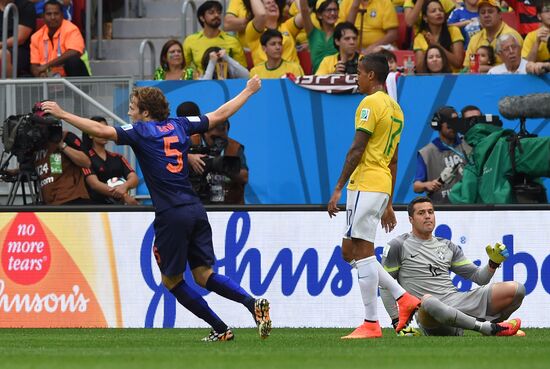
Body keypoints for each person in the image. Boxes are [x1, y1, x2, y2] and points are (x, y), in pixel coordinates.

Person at [41, 76, 272, 342]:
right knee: (203, 274)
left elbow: (102, 132)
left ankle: (221, 328)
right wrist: (248, 91)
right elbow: (220, 114)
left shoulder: (140, 132)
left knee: (172, 281)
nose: (129, 110)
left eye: (133, 105)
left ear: (146, 112)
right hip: (195, 208)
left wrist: (62, 113)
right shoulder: (181, 124)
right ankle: (252, 304)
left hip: (171, 214)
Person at [327, 53, 421, 339]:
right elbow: (393, 160)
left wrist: (338, 186)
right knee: (349, 252)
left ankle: (371, 323)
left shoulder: (369, 104)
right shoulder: (396, 110)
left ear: (371, 75)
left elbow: (357, 149)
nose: (356, 76)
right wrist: (389, 201)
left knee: (363, 253)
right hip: (378, 184)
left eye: (358, 72)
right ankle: (403, 298)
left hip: (365, 182)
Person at [380, 196, 524, 337]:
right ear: (411, 219)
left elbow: (479, 278)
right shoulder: (398, 245)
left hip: (456, 301)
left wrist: (493, 263)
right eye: (421, 213)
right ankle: (487, 328)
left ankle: (498, 328)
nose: (427, 216)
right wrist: (397, 323)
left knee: (516, 289)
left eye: (430, 212)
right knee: (428, 300)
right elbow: (385, 285)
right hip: (429, 313)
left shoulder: (447, 246)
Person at [178, 101, 249, 205]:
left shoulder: (234, 147)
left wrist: (224, 166)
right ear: (205, 132)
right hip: (194, 202)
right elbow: (168, 157)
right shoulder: (191, 141)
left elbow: (244, 177)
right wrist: (189, 158)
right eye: (214, 138)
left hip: (228, 204)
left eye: (222, 138)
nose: (219, 142)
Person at [413, 106, 471, 204]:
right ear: (439, 126)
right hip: (442, 209)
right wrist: (427, 184)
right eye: (449, 124)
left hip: (468, 206)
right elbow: (416, 186)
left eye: (456, 123)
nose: (453, 127)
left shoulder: (468, 145)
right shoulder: (426, 153)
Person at [81, 116, 139, 205]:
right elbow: (94, 184)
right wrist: (123, 195)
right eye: (99, 129)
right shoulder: (84, 158)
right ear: (90, 134)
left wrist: (125, 186)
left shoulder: (118, 157)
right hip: (93, 209)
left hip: (117, 209)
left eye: (106, 129)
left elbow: (134, 178)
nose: (104, 133)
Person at [183, 0, 247, 75]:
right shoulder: (190, 40)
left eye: (219, 12)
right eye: (211, 12)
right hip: (200, 84)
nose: (216, 15)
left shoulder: (232, 41)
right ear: (202, 18)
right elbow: (184, 68)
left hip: (227, 83)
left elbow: (242, 70)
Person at [30, 0, 89, 77]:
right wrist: (40, 74)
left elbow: (74, 52)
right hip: (50, 79)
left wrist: (46, 66)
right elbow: (34, 65)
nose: (53, 17)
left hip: (73, 79)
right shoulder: (36, 37)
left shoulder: (71, 29)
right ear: (43, 17)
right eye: (49, 14)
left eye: (56, 13)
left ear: (62, 15)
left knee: (73, 61)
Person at [34, 128, 92, 205]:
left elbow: (86, 162)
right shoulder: (36, 145)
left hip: (72, 200)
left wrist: (61, 145)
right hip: (51, 203)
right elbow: (54, 169)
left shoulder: (65, 137)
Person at [463, 0, 523, 73]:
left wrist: (489, 69)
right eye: (482, 12)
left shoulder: (512, 36)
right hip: (480, 81)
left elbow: (518, 66)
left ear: (500, 14)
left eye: (490, 11)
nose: (486, 15)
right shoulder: (474, 39)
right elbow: (470, 67)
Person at [245, 0, 303, 66]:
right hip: (267, 75)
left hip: (292, 74)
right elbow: (261, 15)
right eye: (268, 3)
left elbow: (304, 14)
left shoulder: (287, 26)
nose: (273, 5)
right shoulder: (253, 31)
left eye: (274, 3)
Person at [413, 0, 465, 72]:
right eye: (433, 11)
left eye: (441, 10)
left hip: (453, 79)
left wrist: (437, 46)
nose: (438, 13)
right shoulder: (420, 37)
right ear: (425, 17)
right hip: (431, 79)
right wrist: (429, 49)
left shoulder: (453, 31)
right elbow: (420, 70)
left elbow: (458, 63)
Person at [298, 0, 338, 73]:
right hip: (317, 80)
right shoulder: (313, 33)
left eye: (335, 10)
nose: (333, 13)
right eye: (329, 10)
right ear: (319, 15)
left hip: (337, 79)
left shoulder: (342, 33)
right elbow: (304, 10)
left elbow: (354, 7)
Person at [0, 0, 36, 77]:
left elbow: (20, 39)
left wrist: (0, 45)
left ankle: (8, 88)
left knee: (2, 54)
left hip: (19, 49)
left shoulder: (26, 6)